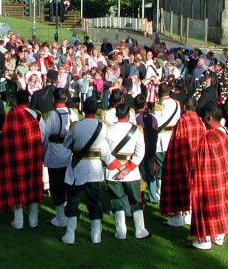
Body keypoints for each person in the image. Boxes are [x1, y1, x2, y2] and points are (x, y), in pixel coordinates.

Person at [60, 98, 115, 245]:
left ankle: (70, 235)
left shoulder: (76, 126)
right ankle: (96, 235)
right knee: (94, 201)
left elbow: (67, 144)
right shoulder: (103, 127)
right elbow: (105, 146)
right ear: (97, 110)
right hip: (95, 168)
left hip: (78, 167)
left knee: (73, 201)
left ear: (83, 109)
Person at [190, 105, 228, 250]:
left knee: (206, 206)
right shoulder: (224, 133)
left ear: (209, 118)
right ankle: (218, 235)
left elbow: (201, 161)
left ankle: (204, 240)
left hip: (209, 177)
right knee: (220, 205)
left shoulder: (207, 137)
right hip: (223, 174)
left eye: (205, 116)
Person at [0, 90, 43, 230]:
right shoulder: (36, 115)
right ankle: (33, 221)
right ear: (28, 100)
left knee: (18, 187)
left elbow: (6, 135)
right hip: (33, 155)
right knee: (33, 185)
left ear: (16, 100)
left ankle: (18, 221)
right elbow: (43, 135)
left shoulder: (12, 114)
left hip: (16, 156)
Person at [106, 104, 150, 240]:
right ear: (129, 115)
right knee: (135, 201)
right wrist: (127, 168)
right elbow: (140, 151)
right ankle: (140, 230)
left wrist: (118, 167)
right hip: (131, 171)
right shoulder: (136, 130)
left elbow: (105, 152)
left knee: (117, 201)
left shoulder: (108, 130)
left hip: (113, 170)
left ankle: (121, 232)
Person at [159, 97, 205, 227]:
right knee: (192, 186)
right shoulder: (199, 120)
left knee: (179, 187)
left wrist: (170, 158)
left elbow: (176, 140)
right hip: (196, 159)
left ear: (185, 107)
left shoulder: (182, 121)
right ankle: (189, 213)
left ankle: (178, 216)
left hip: (182, 158)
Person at [40, 88, 78, 228]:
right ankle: (66, 214)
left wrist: (43, 152)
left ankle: (61, 216)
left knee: (56, 186)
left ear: (53, 100)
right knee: (68, 183)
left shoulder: (50, 115)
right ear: (66, 99)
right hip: (69, 153)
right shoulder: (73, 113)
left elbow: (44, 136)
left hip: (55, 153)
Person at [151, 83, 181, 203]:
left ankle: (160, 192)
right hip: (172, 137)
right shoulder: (176, 103)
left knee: (161, 167)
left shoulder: (158, 104)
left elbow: (155, 121)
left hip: (161, 137)